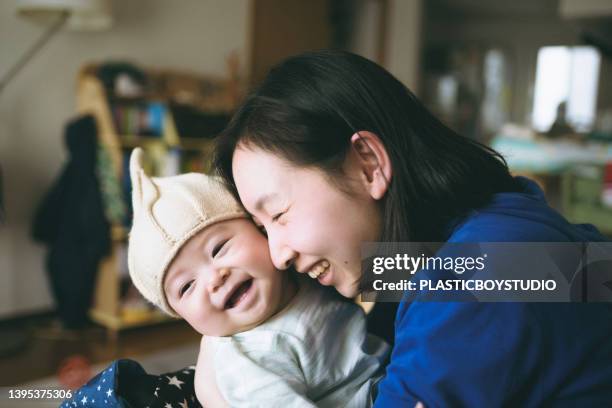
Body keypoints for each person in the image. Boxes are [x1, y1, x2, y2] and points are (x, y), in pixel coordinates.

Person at [214, 50, 612, 406]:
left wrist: (223, 390)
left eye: (280, 214)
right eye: (263, 229)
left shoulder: (480, 274)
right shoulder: (474, 231)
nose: (279, 254)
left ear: (367, 163)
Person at [126, 147, 388, 407]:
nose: (214, 279)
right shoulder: (244, 361)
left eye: (218, 249)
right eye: (186, 287)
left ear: (260, 231)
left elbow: (411, 271)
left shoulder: (301, 271)